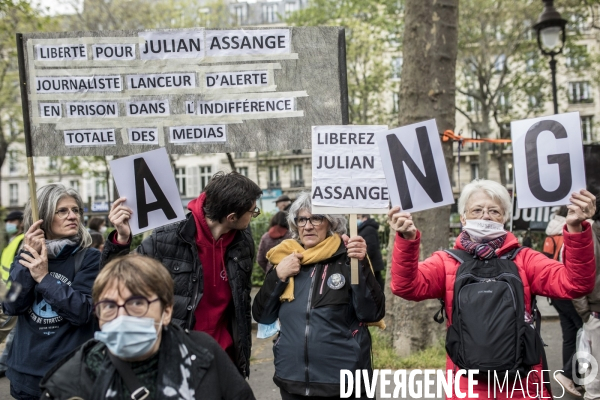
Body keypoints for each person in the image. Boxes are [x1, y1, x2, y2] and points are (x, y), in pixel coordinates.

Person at [389, 179, 596, 399]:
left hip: (522, 385)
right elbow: (406, 287)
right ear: (463, 217)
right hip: (468, 385)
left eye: (494, 211)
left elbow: (576, 284)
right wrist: (407, 240)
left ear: (504, 218)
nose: (485, 216)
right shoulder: (446, 262)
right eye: (477, 210)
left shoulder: (525, 259)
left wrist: (575, 229)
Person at [102, 171, 262, 377]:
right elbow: (114, 281)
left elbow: (241, 304)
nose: (254, 214)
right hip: (176, 361)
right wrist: (121, 239)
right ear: (231, 217)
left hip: (226, 360)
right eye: (252, 211)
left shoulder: (243, 241)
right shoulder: (167, 237)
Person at [40, 254, 255, 400]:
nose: (121, 316)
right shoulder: (68, 382)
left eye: (136, 303)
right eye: (109, 306)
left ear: (167, 311)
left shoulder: (203, 352)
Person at [252, 192, 385, 399]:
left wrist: (360, 266)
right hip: (292, 380)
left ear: (330, 223)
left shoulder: (347, 257)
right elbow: (263, 316)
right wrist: (278, 276)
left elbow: (372, 313)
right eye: (302, 219)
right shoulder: (286, 260)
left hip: (342, 382)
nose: (308, 225)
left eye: (316, 218)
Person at [3, 183, 100, 399]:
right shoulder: (25, 256)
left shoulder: (89, 257)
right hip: (25, 375)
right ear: (44, 217)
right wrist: (28, 263)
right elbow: (11, 305)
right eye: (62, 211)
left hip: (69, 375)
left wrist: (44, 279)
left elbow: (82, 311)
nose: (72, 216)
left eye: (76, 210)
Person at [545, 206, 584, 396]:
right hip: (568, 291)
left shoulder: (551, 232)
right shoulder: (569, 231)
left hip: (555, 291)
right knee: (585, 334)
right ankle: (569, 374)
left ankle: (572, 377)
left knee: (569, 335)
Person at [573, 201, 600, 400]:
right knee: (595, 377)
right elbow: (576, 276)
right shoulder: (587, 235)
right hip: (596, 313)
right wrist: (586, 314)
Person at [0, 210, 25, 378]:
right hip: (6, 292)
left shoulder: (23, 240)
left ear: (22, 222)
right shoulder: (12, 240)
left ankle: (2, 365)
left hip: (13, 293)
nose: (9, 223)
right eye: (8, 220)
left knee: (10, 329)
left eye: (13, 221)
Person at [357, 214, 385, 288]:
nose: (357, 220)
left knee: (375, 286)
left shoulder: (368, 229)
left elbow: (371, 247)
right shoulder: (365, 229)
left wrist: (363, 258)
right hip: (371, 263)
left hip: (372, 263)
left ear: (365, 218)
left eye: (358, 218)